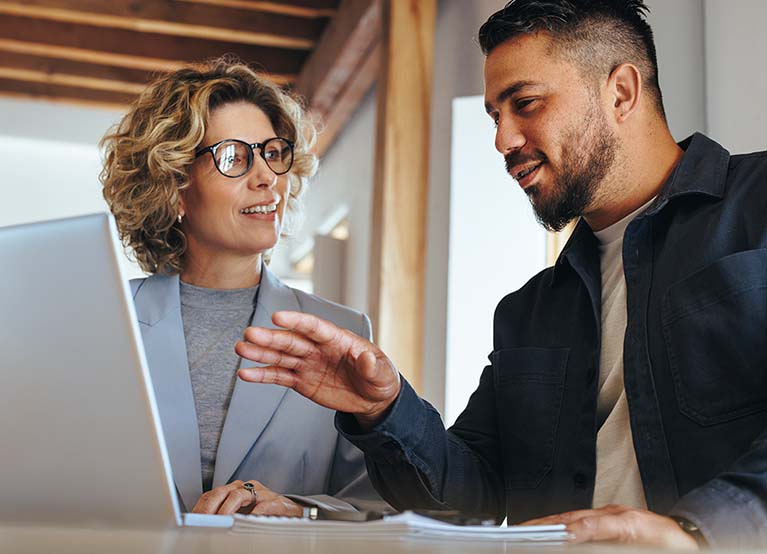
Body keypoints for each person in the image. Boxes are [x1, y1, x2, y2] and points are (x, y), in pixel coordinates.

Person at [232, 0, 767, 549]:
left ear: (622, 92)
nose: (503, 140)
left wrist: (696, 533)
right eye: (494, 115)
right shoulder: (529, 313)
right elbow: (470, 498)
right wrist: (383, 409)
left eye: (526, 104)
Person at [101, 58, 384, 516]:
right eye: (234, 157)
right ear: (174, 187)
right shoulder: (104, 322)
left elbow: (378, 504)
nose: (267, 178)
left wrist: (298, 509)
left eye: (272, 153)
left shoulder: (340, 330)